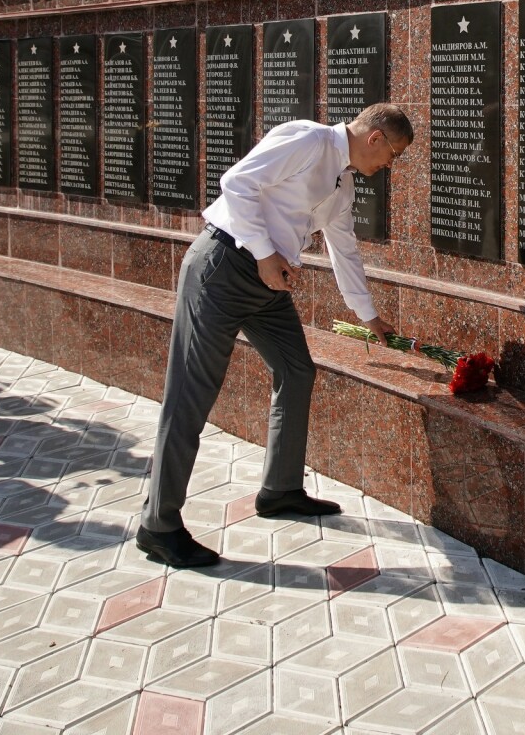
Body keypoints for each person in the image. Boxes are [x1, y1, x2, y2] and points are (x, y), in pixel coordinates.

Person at [137, 102, 414, 568]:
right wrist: (265, 254)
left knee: (297, 370)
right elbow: (237, 183)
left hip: (269, 282)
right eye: (394, 154)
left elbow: (342, 248)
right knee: (190, 395)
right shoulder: (308, 139)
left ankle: (281, 489)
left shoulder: (343, 183)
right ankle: (158, 526)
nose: (391, 166)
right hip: (223, 267)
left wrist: (368, 316)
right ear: (375, 138)